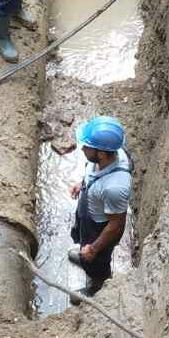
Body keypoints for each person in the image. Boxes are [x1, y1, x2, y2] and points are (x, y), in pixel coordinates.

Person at [68, 116, 132, 299]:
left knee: (97, 263)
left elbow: (116, 225)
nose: (82, 148)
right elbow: (93, 172)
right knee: (82, 242)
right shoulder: (106, 155)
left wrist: (94, 249)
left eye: (86, 146)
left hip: (99, 227)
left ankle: (96, 288)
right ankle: (84, 255)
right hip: (90, 209)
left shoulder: (115, 187)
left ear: (101, 153)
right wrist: (82, 184)